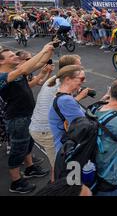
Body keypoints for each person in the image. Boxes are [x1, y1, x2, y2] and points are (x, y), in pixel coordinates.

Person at [0, 43, 55, 194]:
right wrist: (43, 49)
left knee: (27, 143)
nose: (15, 56)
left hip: (26, 115)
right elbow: (25, 68)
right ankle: (16, 182)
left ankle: (30, 168)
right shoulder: (4, 76)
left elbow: (38, 64)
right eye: (11, 56)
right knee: (18, 149)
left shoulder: (15, 72)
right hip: (17, 118)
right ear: (1, 61)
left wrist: (49, 51)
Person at [29, 55, 83, 183]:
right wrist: (80, 96)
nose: (81, 67)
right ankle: (56, 187)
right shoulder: (61, 86)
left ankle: (56, 183)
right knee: (60, 165)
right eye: (78, 65)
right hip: (45, 130)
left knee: (58, 163)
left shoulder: (55, 79)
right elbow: (66, 106)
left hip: (38, 127)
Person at [48, 65, 93, 153]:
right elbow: (85, 127)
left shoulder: (63, 96)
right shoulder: (66, 100)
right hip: (71, 151)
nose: (84, 81)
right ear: (68, 79)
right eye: (82, 79)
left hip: (66, 149)